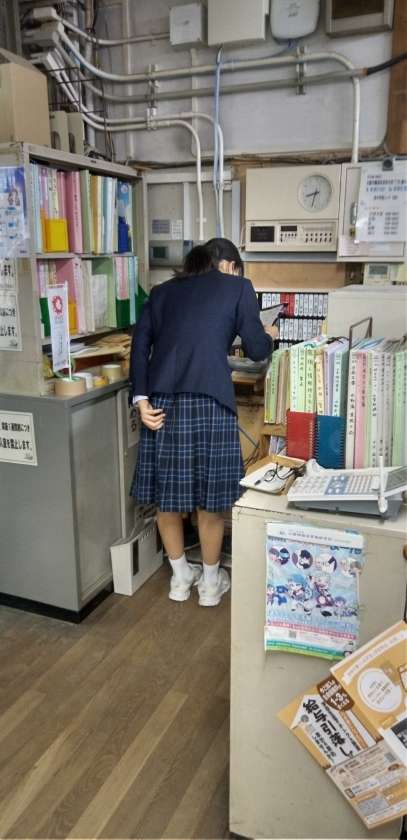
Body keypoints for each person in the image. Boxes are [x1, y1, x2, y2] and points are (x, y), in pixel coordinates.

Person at [129, 237, 278, 606]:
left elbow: (139, 346)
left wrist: (141, 399)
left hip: (161, 404)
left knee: (166, 497)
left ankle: (180, 579)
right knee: (210, 501)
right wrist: (269, 335)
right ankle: (210, 585)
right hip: (211, 402)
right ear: (228, 265)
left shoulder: (161, 292)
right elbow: (257, 349)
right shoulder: (238, 288)